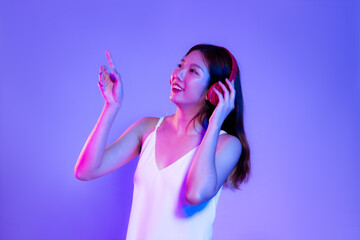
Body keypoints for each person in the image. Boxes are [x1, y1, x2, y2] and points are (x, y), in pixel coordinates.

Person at [74, 44, 251, 240]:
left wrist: (215, 122)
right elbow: (86, 171)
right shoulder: (148, 129)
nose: (179, 74)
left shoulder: (226, 144)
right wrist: (111, 107)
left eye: (193, 71)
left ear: (216, 90)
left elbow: (196, 194)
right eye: (180, 65)